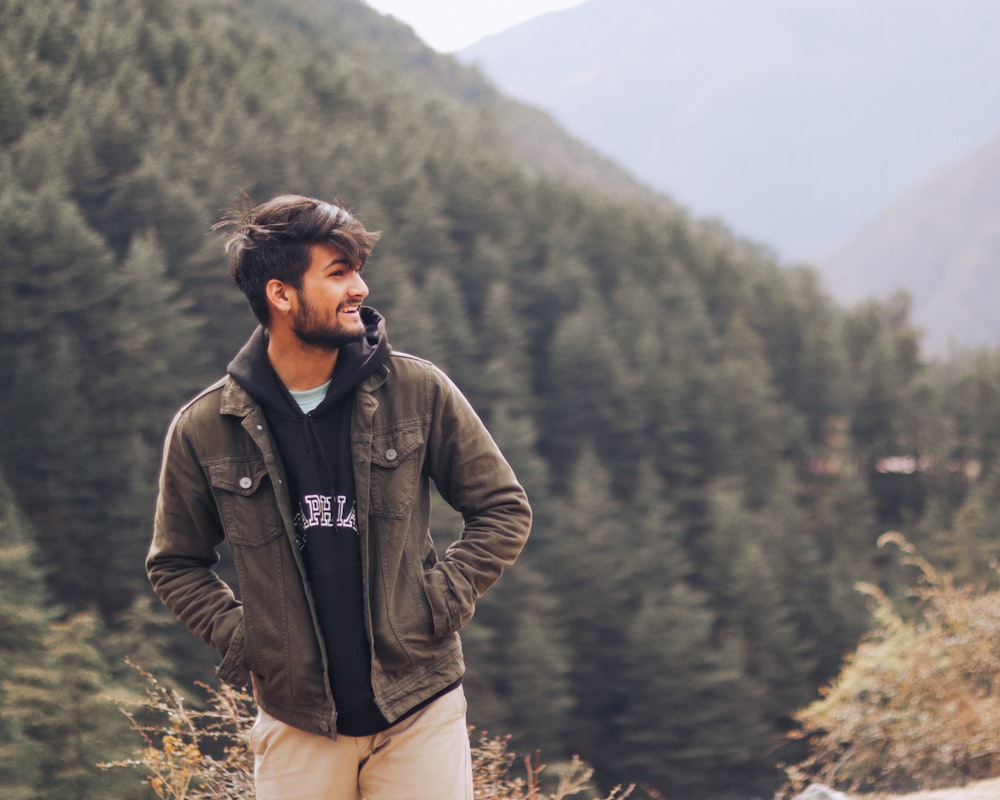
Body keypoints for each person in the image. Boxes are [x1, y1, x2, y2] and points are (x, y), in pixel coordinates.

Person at [147, 194, 532, 800]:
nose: (360, 287)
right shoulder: (204, 427)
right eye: (338, 273)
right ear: (281, 294)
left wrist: (439, 601)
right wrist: (246, 639)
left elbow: (503, 509)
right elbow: (175, 563)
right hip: (296, 723)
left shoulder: (417, 390)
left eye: (356, 269)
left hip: (419, 708)